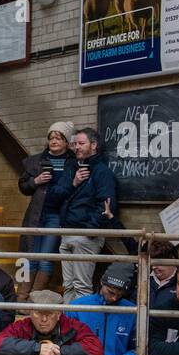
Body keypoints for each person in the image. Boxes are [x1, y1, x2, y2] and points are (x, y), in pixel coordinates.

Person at [52, 128, 118, 302]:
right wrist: (73, 183)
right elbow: (55, 194)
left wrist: (89, 231)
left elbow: (106, 206)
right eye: (75, 144)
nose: (76, 147)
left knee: (82, 286)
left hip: (85, 236)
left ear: (94, 145)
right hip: (66, 233)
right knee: (68, 285)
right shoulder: (72, 167)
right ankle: (68, 326)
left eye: (81, 143)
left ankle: (83, 328)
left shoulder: (102, 172)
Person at [16, 121, 75, 300]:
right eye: (51, 137)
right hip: (35, 214)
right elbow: (23, 187)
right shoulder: (35, 160)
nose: (54, 141)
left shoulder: (73, 162)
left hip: (56, 216)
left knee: (45, 257)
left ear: (67, 141)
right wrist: (36, 181)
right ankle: (21, 298)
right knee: (28, 256)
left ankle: (34, 300)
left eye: (59, 138)